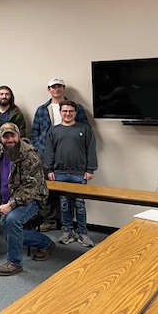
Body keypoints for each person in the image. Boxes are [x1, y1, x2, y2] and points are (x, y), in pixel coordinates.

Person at [0, 123, 55, 276]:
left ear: (18, 135)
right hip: (10, 197)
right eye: (6, 136)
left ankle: (14, 262)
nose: (10, 139)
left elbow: (30, 187)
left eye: (12, 135)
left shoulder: (30, 155)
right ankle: (45, 243)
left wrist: (10, 206)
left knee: (12, 221)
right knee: (9, 233)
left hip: (32, 197)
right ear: (0, 138)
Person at [31, 77, 89, 232]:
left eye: (59, 86)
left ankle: (67, 224)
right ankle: (50, 221)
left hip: (70, 159)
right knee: (48, 192)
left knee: (71, 195)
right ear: (49, 90)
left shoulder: (76, 108)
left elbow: (85, 130)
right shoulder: (42, 109)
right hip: (47, 157)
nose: (56, 89)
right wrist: (41, 149)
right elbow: (34, 134)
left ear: (63, 88)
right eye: (53, 87)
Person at [44, 100, 98, 247]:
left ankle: (82, 232)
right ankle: (68, 230)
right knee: (64, 204)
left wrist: (90, 169)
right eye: (64, 111)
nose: (67, 114)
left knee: (79, 204)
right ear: (60, 112)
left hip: (79, 173)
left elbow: (91, 149)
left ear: (75, 113)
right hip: (60, 173)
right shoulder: (54, 131)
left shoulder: (84, 129)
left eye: (70, 111)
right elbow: (49, 152)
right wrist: (49, 170)